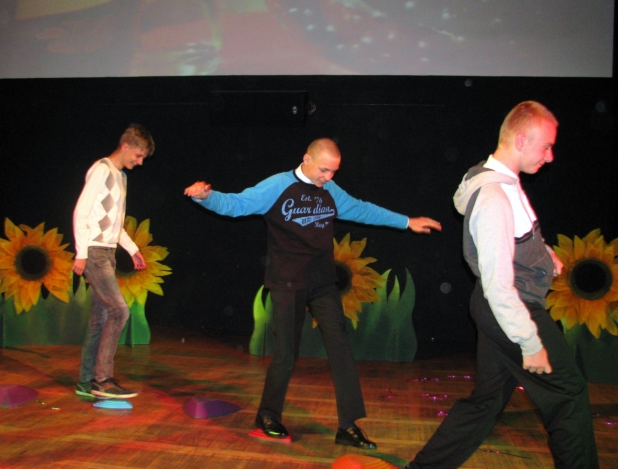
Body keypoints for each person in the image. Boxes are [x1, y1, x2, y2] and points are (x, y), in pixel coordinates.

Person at [185, 138, 441, 449]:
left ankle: (348, 426)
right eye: (324, 170)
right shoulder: (277, 186)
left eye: (333, 172)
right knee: (286, 354)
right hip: (287, 281)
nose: (328, 178)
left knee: (341, 347)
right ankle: (267, 416)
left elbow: (361, 209)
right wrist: (206, 198)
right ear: (306, 159)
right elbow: (237, 205)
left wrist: (406, 222)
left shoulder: (330, 190)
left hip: (322, 282)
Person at [405, 101, 598, 468]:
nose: (550, 156)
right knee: (568, 395)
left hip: (501, 308)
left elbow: (517, 237)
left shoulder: (504, 182)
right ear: (521, 141)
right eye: (546, 146)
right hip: (512, 308)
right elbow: (498, 284)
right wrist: (529, 341)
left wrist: (546, 255)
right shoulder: (494, 197)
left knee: (486, 402)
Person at [72, 123, 155, 399]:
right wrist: (81, 252)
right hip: (95, 252)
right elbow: (81, 212)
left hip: (106, 252)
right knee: (119, 311)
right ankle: (103, 380)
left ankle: (85, 381)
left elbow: (114, 223)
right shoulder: (102, 169)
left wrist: (132, 249)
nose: (140, 162)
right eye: (139, 155)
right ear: (126, 145)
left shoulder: (121, 177)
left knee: (100, 319)